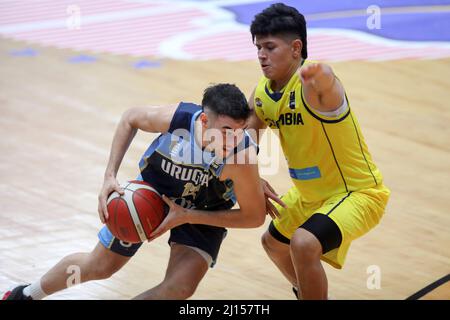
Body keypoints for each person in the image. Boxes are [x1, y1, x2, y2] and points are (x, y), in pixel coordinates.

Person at [3, 83, 266, 300]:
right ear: (205, 120)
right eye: (226, 131)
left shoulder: (241, 155)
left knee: (179, 288)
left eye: (239, 132)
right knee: (100, 266)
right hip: (154, 192)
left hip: (205, 211)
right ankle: (23, 296)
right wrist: (109, 176)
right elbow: (130, 118)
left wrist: (187, 215)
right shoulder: (178, 118)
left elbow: (254, 217)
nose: (233, 139)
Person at [247, 3, 391, 300]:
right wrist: (253, 179)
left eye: (270, 47)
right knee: (273, 243)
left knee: (303, 242)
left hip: (356, 192)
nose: (261, 54)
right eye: (258, 46)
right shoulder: (262, 93)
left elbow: (327, 78)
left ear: (296, 48)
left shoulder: (317, 88)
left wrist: (321, 72)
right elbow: (247, 137)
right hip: (309, 195)